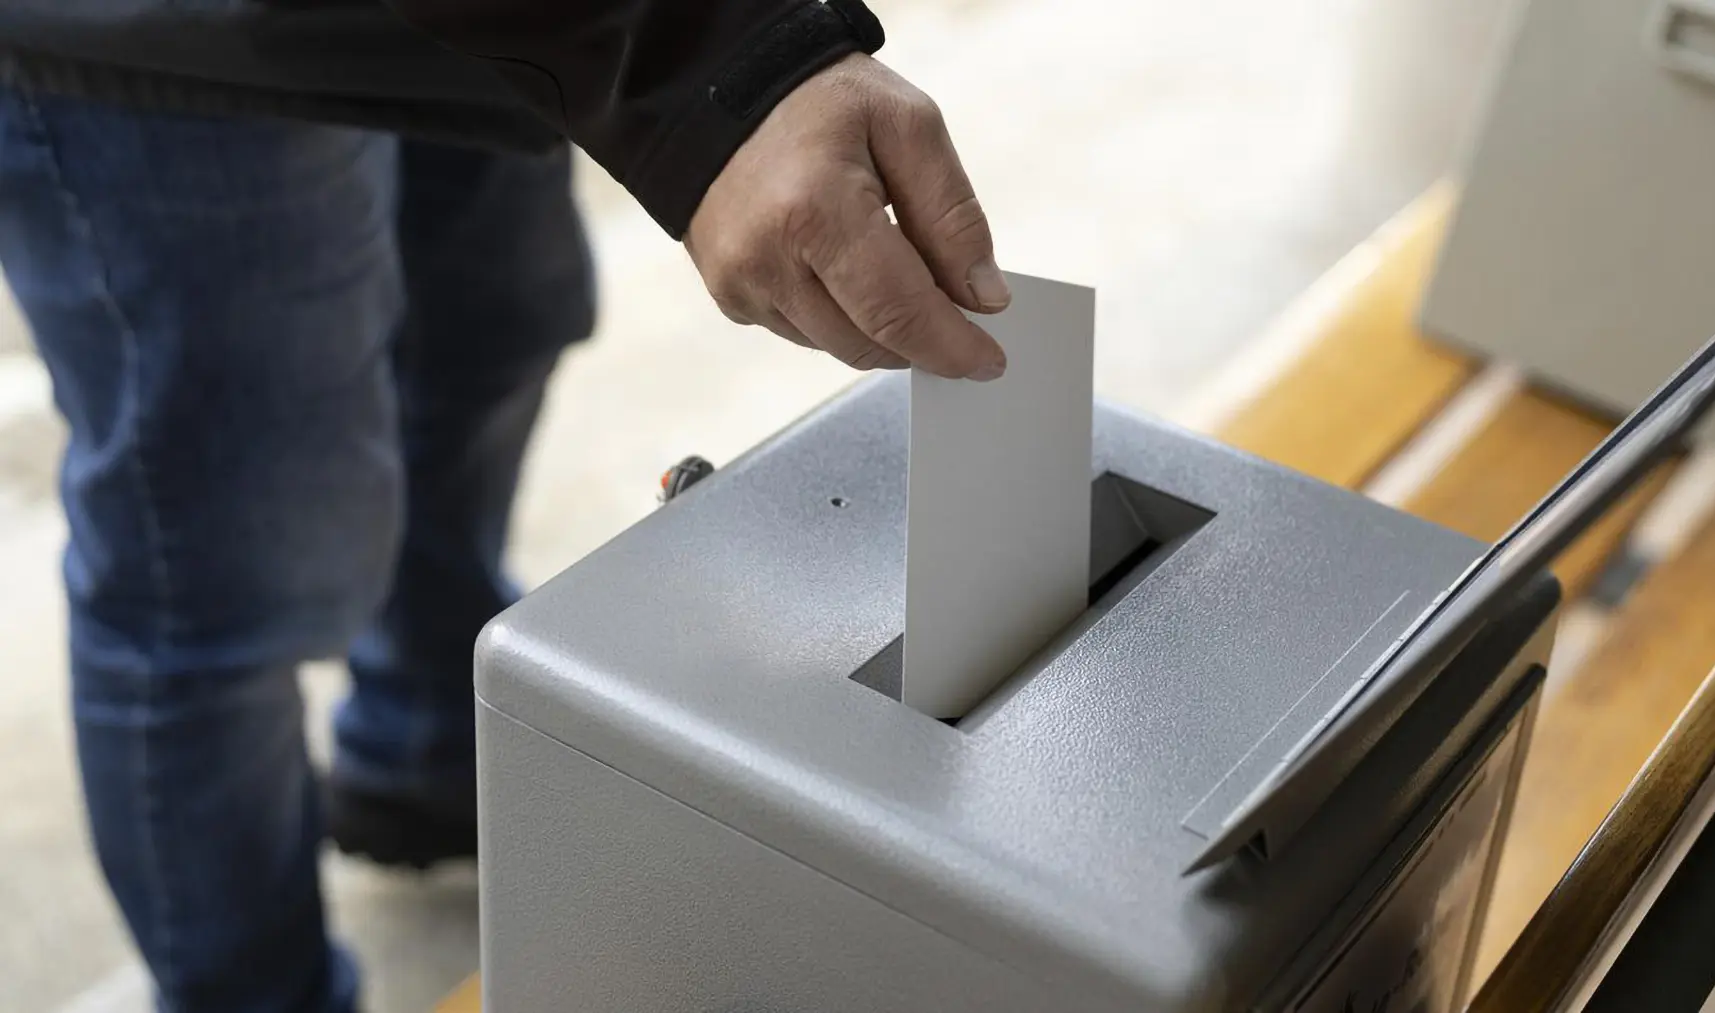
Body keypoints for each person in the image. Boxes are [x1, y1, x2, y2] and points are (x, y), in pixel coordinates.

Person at [0, 1, 1012, 1010]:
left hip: (475, 28)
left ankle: (427, 749)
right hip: (170, 33)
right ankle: (251, 988)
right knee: (223, 558)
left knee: (488, 334)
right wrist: (721, 63)